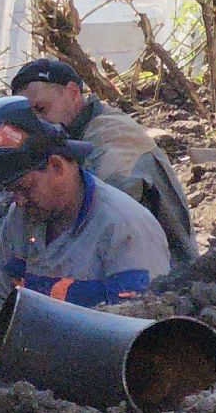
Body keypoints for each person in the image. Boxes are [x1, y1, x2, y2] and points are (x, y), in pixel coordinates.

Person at [0, 96, 171, 322]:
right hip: (33, 344)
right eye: (11, 191)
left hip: (96, 350)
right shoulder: (22, 216)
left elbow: (141, 327)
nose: (19, 201)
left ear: (57, 166)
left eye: (24, 187)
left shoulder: (124, 227)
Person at [10, 58, 199, 270]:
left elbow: (102, 222)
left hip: (161, 276)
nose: (36, 125)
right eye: (28, 118)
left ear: (73, 94)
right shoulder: (75, 132)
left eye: (42, 109)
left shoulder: (112, 138)